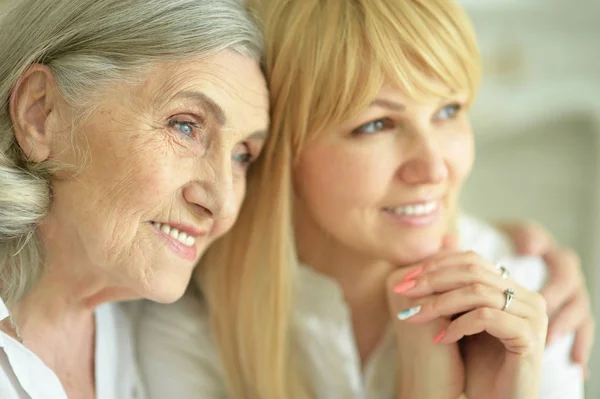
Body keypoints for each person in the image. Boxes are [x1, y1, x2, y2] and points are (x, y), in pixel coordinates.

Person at [137, 1, 593, 398]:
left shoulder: (527, 302)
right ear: (279, 152)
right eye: (376, 125)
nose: (435, 168)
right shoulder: (191, 322)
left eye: (448, 111)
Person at [0, 0, 269, 397]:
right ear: (41, 114)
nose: (223, 203)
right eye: (185, 126)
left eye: (242, 155)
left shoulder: (161, 345)